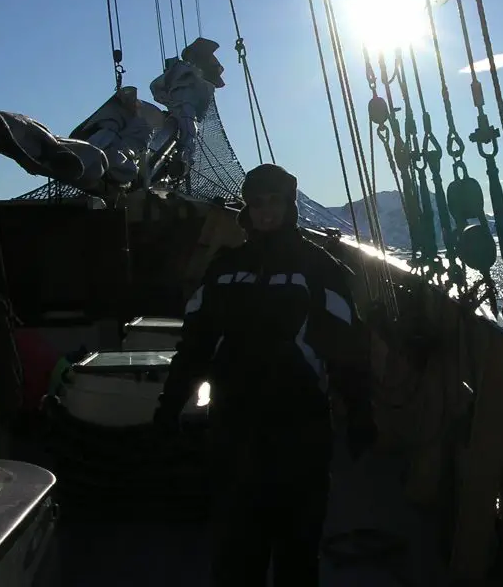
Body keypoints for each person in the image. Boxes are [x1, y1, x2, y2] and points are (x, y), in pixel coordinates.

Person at [152, 163, 377, 586]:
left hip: (301, 432)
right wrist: (170, 405)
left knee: (297, 555)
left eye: (275, 201)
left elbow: (347, 348)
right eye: (257, 203)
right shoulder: (224, 268)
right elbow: (195, 345)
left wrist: (360, 412)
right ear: (247, 210)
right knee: (238, 554)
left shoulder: (319, 268)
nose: (266, 211)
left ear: (289, 206)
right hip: (234, 431)